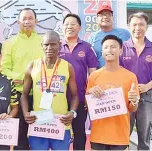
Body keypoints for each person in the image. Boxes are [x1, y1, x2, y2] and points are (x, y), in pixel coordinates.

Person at [21, 31, 79, 150]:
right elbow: (24, 95)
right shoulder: (33, 66)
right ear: (42, 45)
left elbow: (75, 96)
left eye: (53, 44)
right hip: (38, 125)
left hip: (61, 124)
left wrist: (72, 113)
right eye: (46, 44)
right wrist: (25, 113)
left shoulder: (67, 67)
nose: (49, 48)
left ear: (59, 44)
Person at [120, 12, 152, 150]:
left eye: (141, 24)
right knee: (122, 135)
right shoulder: (121, 48)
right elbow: (116, 71)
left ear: (147, 27)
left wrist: (148, 86)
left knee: (145, 135)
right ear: (129, 26)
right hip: (125, 97)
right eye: (134, 24)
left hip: (146, 97)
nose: (138, 28)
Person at [0, 8, 44, 150]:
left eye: (30, 18)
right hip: (18, 95)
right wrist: (24, 79)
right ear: (18, 21)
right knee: (20, 136)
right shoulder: (9, 43)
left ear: (36, 21)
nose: (27, 22)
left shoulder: (44, 42)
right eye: (24, 19)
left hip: (41, 95)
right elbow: (3, 69)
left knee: (41, 134)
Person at [86, 35, 139, 150]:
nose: (109, 50)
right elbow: (87, 105)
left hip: (120, 136)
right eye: (105, 47)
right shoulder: (94, 76)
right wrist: (90, 93)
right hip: (98, 135)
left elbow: (132, 109)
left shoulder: (130, 77)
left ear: (120, 51)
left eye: (113, 47)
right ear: (102, 51)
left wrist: (134, 101)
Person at [59, 13, 99, 150]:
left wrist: (90, 96)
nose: (69, 27)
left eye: (73, 24)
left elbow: (93, 74)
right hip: (59, 98)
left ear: (79, 27)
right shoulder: (56, 46)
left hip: (81, 98)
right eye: (66, 24)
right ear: (62, 27)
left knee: (79, 133)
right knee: (59, 133)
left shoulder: (87, 48)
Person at [88, 3, 130, 68]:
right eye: (102, 15)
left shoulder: (125, 34)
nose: (105, 17)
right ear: (97, 19)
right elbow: (90, 60)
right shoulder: (92, 37)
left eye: (108, 14)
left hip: (121, 74)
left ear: (112, 17)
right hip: (100, 75)